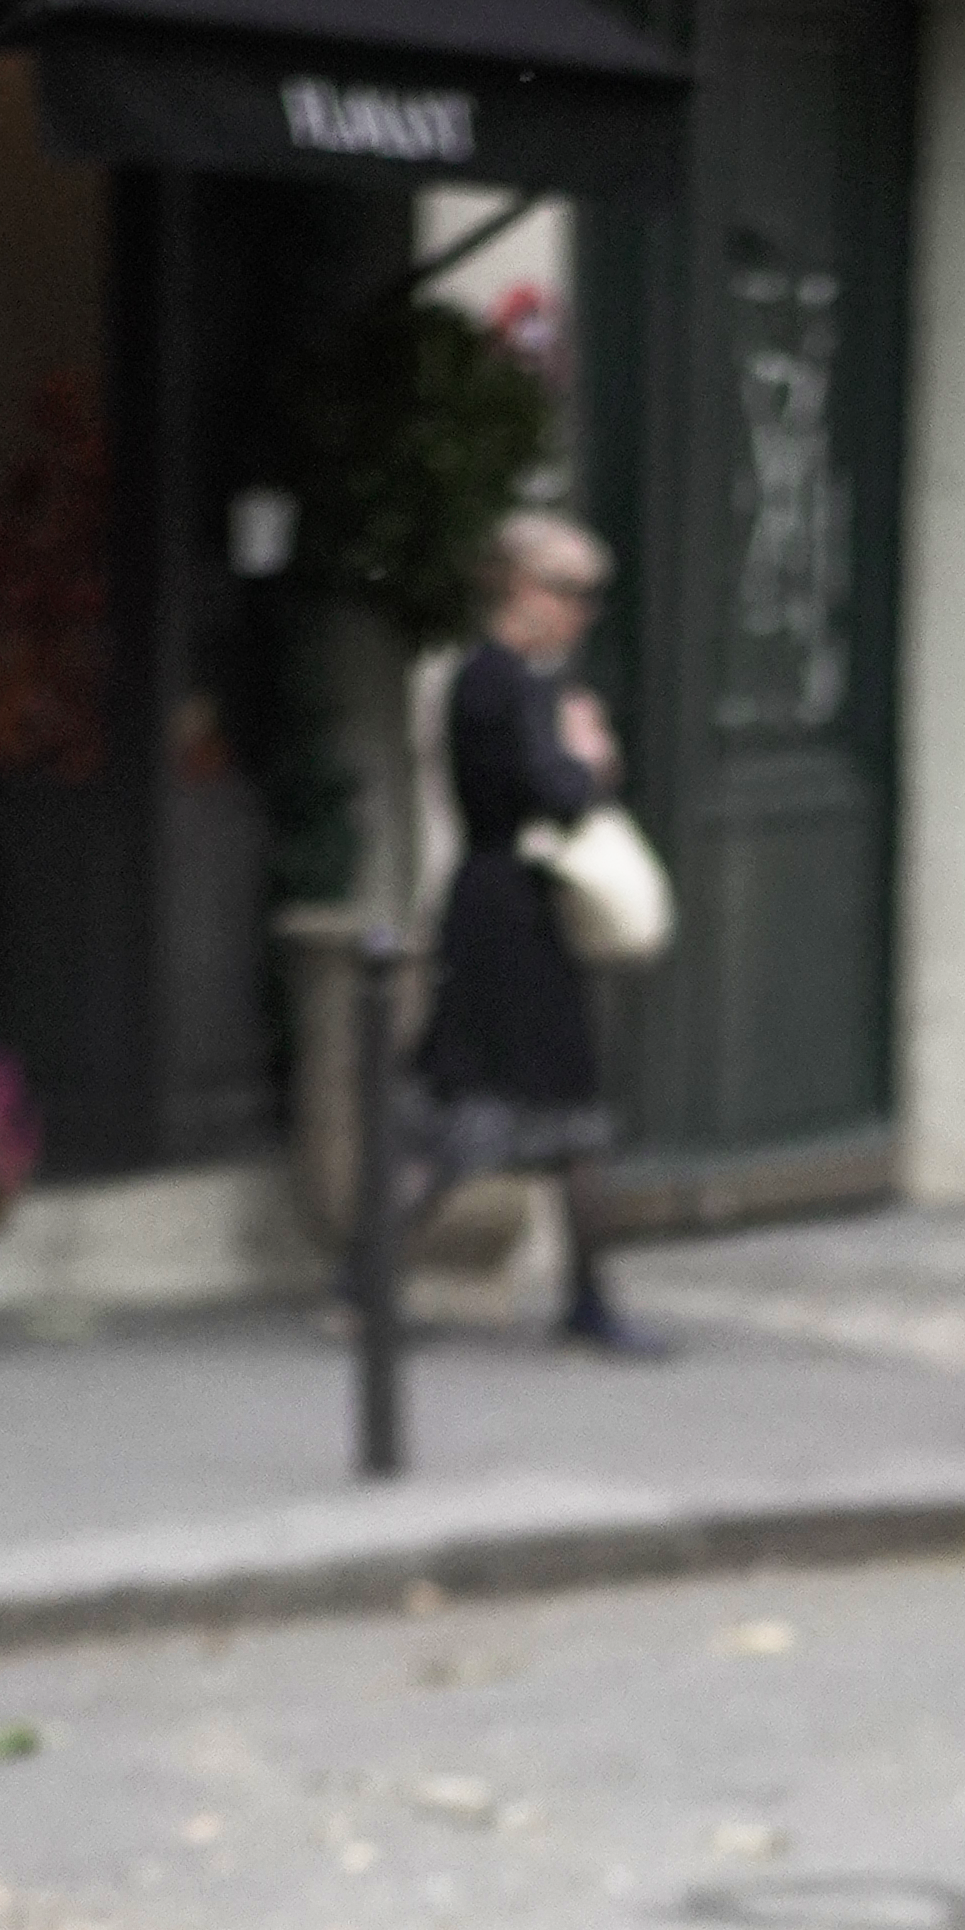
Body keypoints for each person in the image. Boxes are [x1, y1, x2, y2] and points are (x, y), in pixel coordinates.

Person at [418, 512, 650, 1353]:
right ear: (522, 586)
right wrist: (589, 758)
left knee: (537, 1115)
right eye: (573, 590)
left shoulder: (515, 680)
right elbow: (552, 791)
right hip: (504, 918)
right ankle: (367, 1280)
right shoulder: (498, 680)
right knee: (487, 1113)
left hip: (511, 910)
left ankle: (590, 1296)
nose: (584, 612)